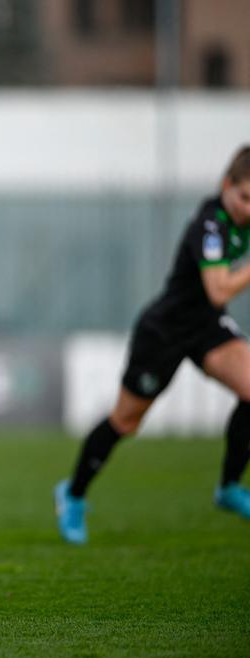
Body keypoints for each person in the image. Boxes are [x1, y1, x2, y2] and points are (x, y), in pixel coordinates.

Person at [55, 145, 250, 545]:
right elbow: (218, 290)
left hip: (207, 327)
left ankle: (229, 487)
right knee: (126, 422)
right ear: (226, 186)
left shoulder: (240, 221)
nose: (248, 208)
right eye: (244, 197)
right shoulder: (209, 226)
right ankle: (72, 494)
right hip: (164, 332)